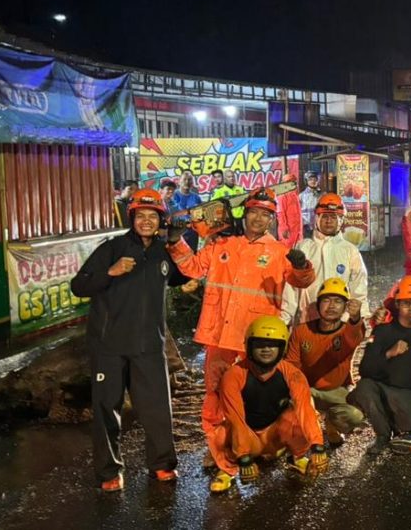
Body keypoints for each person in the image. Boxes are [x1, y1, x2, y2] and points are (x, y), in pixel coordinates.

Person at [166, 187, 316, 437]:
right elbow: (192, 268)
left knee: (255, 390)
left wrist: (302, 265)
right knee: (214, 391)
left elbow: (302, 281)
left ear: (272, 219)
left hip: (255, 336)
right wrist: (174, 242)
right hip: (219, 334)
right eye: (254, 212)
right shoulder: (221, 244)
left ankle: (255, 440)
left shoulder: (279, 251)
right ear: (244, 214)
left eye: (265, 214)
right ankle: (217, 444)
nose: (259, 219)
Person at [71, 189, 187, 491]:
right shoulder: (112, 248)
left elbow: (184, 275)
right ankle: (109, 472)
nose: (146, 221)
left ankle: (162, 465)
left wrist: (178, 242)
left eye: (153, 216)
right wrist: (110, 272)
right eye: (141, 215)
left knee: (158, 408)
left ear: (160, 220)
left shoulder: (164, 251)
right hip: (108, 345)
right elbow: (78, 285)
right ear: (131, 217)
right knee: (107, 409)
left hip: (150, 345)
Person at [206, 316, 328, 493]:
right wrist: (244, 457)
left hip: (275, 435)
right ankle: (228, 470)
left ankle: (297, 457)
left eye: (272, 345)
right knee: (220, 433)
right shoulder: (234, 375)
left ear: (281, 347)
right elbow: (236, 418)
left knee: (298, 415)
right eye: (260, 344)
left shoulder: (293, 374)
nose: (266, 350)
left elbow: (305, 410)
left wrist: (317, 445)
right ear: (249, 346)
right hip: (247, 434)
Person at [348, 275, 411, 454]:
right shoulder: (384, 331)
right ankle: (383, 435)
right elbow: (365, 369)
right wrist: (389, 353)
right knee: (364, 387)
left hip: (405, 393)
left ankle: (403, 427)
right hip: (382, 388)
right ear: (397, 305)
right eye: (406, 303)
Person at [285, 277, 366, 448]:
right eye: (326, 300)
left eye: (338, 301)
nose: (331, 306)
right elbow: (291, 365)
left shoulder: (348, 331)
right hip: (307, 390)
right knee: (286, 406)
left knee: (355, 416)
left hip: (336, 391)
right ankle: (301, 437)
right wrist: (301, 394)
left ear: (345, 307)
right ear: (318, 305)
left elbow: (354, 334)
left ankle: (331, 424)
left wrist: (356, 316)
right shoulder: (301, 331)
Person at [281, 193, 369, 327]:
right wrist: (286, 318)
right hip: (308, 320)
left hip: (341, 323)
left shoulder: (350, 250)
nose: (329, 221)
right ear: (316, 218)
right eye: (324, 216)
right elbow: (291, 287)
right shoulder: (303, 247)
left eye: (333, 217)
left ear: (341, 220)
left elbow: (359, 286)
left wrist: (360, 318)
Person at [170, 172, 204, 251]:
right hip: (177, 232)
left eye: (189, 180)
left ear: (192, 182)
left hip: (192, 232)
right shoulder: (173, 196)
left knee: (192, 255)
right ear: (179, 181)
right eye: (184, 179)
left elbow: (201, 214)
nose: (187, 182)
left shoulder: (196, 197)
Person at [275, 173, 304, 249]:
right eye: (289, 182)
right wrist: (283, 228)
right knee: (286, 250)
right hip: (288, 231)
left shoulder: (295, 195)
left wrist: (300, 232)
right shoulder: (282, 196)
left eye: (293, 182)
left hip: (297, 230)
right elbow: (280, 213)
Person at [299, 171, 321, 238]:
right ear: (306, 181)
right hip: (306, 226)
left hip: (318, 226)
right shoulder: (301, 196)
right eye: (310, 179)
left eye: (315, 179)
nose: (313, 181)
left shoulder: (322, 195)